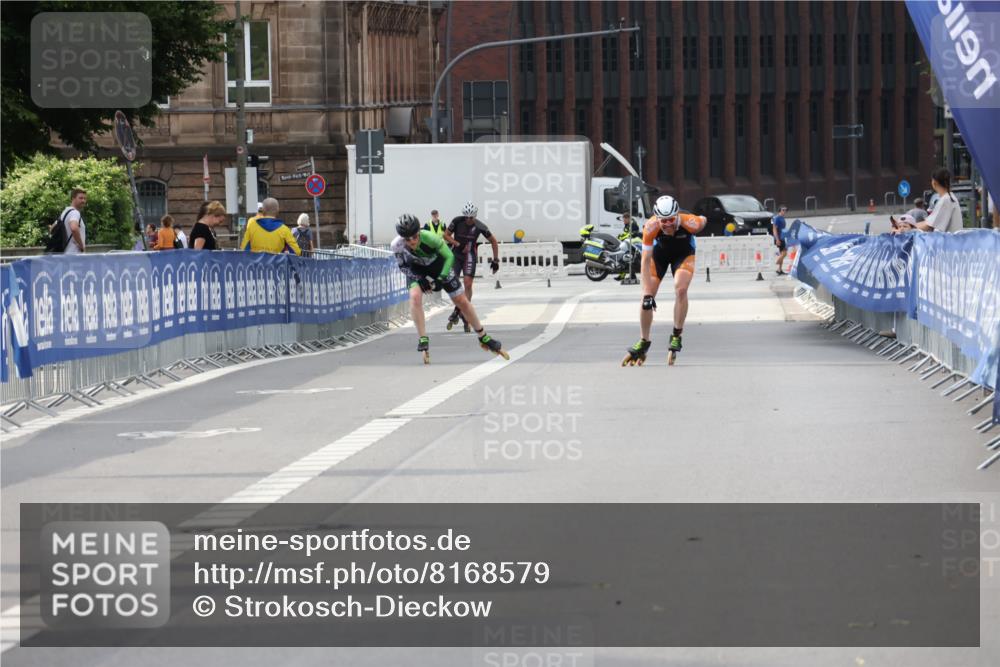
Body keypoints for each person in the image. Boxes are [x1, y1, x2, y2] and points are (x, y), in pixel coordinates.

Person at [391, 214, 507, 363]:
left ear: (419, 232)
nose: (412, 241)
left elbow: (449, 257)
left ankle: (483, 336)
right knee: (415, 297)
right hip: (416, 269)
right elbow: (403, 266)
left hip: (439, 265)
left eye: (414, 236)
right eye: (407, 239)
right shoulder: (397, 245)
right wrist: (419, 278)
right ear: (402, 238)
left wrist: (441, 278)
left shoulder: (430, 238)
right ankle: (423, 338)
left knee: (461, 300)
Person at [623, 195, 707, 366]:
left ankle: (676, 335)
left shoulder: (690, 222)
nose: (668, 224)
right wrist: (647, 293)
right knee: (646, 297)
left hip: (683, 254)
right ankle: (644, 341)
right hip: (659, 256)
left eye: (671, 219)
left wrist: (700, 220)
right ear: (657, 218)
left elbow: (703, 220)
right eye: (663, 220)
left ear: (677, 215)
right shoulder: (650, 226)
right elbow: (645, 261)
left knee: (681, 289)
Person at [443, 201, 500, 332]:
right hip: (456, 254)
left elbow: (493, 241)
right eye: (467, 217)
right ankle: (460, 309)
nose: (469, 220)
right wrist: (457, 243)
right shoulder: (457, 221)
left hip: (469, 255)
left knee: (468, 284)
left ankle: (459, 310)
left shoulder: (480, 226)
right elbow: (445, 235)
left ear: (475, 216)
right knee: (454, 283)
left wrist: (496, 260)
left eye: (471, 217)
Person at [915, 168, 963, 232]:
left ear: (934, 182)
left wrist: (909, 228)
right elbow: (928, 222)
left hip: (949, 238)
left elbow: (929, 225)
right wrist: (909, 225)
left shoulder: (946, 200)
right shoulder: (949, 197)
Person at [53, 188, 87, 253]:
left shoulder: (65, 212)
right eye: (80, 198)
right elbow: (74, 228)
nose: (83, 201)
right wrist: (82, 246)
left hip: (64, 253)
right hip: (74, 254)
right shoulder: (75, 212)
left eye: (85, 198)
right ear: (73, 199)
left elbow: (52, 228)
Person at [772, 205, 788, 275]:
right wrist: (777, 239)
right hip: (779, 238)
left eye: (785, 210)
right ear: (780, 211)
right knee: (784, 253)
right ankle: (777, 262)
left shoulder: (782, 218)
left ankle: (779, 269)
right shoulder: (777, 218)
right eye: (783, 210)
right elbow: (774, 229)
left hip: (782, 237)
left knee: (782, 253)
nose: (785, 211)